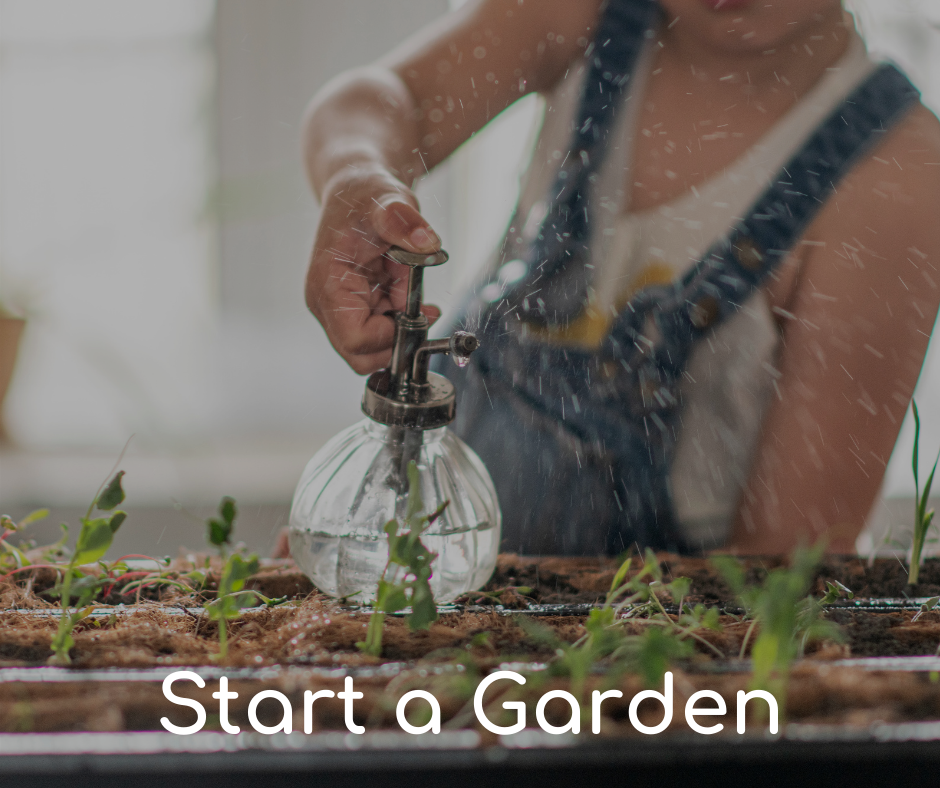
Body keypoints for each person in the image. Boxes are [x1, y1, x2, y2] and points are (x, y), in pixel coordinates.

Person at [299, 0, 940, 556]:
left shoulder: (899, 178)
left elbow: (788, 569)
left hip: (658, 644)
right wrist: (359, 174)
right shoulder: (579, 15)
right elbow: (387, 98)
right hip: (436, 563)